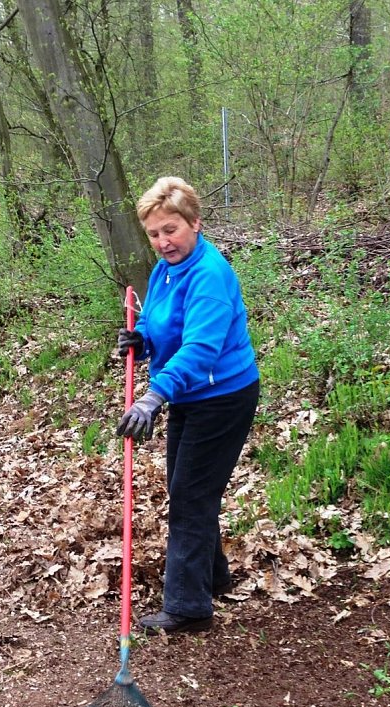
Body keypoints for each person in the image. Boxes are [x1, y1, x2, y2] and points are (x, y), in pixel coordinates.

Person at [116, 176, 259, 635]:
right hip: (188, 395)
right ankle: (213, 578)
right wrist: (143, 338)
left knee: (191, 499)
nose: (163, 241)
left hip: (222, 398)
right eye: (154, 233)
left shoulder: (210, 275)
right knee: (189, 492)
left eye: (171, 230)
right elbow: (165, 324)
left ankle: (188, 607)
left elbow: (200, 347)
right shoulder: (164, 270)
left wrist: (155, 395)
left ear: (194, 223)